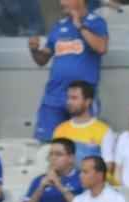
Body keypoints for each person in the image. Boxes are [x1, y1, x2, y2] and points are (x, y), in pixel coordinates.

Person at [28, 0, 109, 143]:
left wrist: (80, 26)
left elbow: (101, 47)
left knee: (83, 147)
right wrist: (34, 49)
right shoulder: (59, 26)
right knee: (48, 146)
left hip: (81, 98)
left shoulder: (96, 22)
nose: (61, 2)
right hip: (54, 96)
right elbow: (42, 60)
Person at [49, 80, 113, 166]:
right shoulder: (60, 129)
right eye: (68, 98)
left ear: (88, 102)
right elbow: (53, 163)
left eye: (74, 98)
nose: (69, 102)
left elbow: (108, 166)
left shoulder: (104, 131)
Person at [19, 137, 82, 202]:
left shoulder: (82, 178)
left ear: (71, 158)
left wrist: (59, 185)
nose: (53, 158)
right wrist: (40, 189)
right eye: (51, 154)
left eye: (58, 154)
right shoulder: (38, 180)